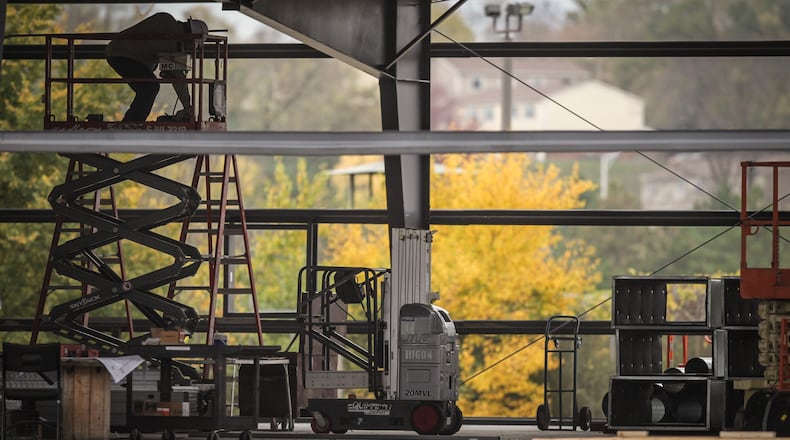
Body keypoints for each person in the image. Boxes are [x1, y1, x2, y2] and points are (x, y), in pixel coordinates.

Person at [106, 13, 209, 122]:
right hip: (123, 55)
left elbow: (151, 48)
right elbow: (177, 76)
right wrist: (188, 107)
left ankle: (133, 122)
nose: (190, 48)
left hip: (120, 52)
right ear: (191, 36)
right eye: (193, 44)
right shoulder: (173, 38)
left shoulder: (168, 24)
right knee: (150, 88)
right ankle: (132, 123)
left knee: (149, 86)